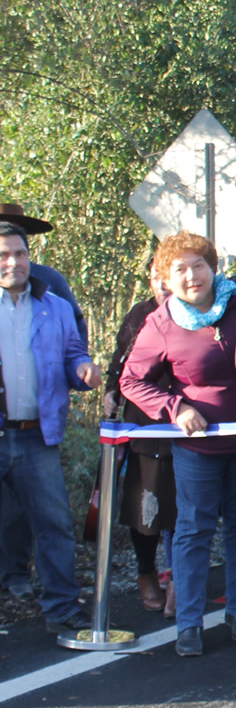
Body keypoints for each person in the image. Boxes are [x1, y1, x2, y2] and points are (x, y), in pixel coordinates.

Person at [121, 232, 236, 657]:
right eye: (180, 270)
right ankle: (189, 623)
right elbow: (131, 381)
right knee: (194, 531)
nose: (192, 276)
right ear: (167, 278)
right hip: (198, 448)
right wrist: (174, 407)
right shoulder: (161, 323)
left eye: (198, 265)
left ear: (213, 266)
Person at [0, 220, 100, 633]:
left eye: (20, 254)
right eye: (3, 255)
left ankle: (61, 608)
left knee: (55, 523)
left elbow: (74, 354)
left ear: (31, 258)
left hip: (36, 435)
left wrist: (83, 370)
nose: (13, 262)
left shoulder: (54, 305)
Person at [103, 271, 177, 613]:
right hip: (143, 425)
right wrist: (111, 393)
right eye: (156, 277)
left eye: (169, 275)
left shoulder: (200, 310)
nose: (163, 284)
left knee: (183, 511)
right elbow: (119, 364)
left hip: (188, 424)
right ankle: (146, 574)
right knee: (144, 508)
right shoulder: (140, 313)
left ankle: (180, 579)